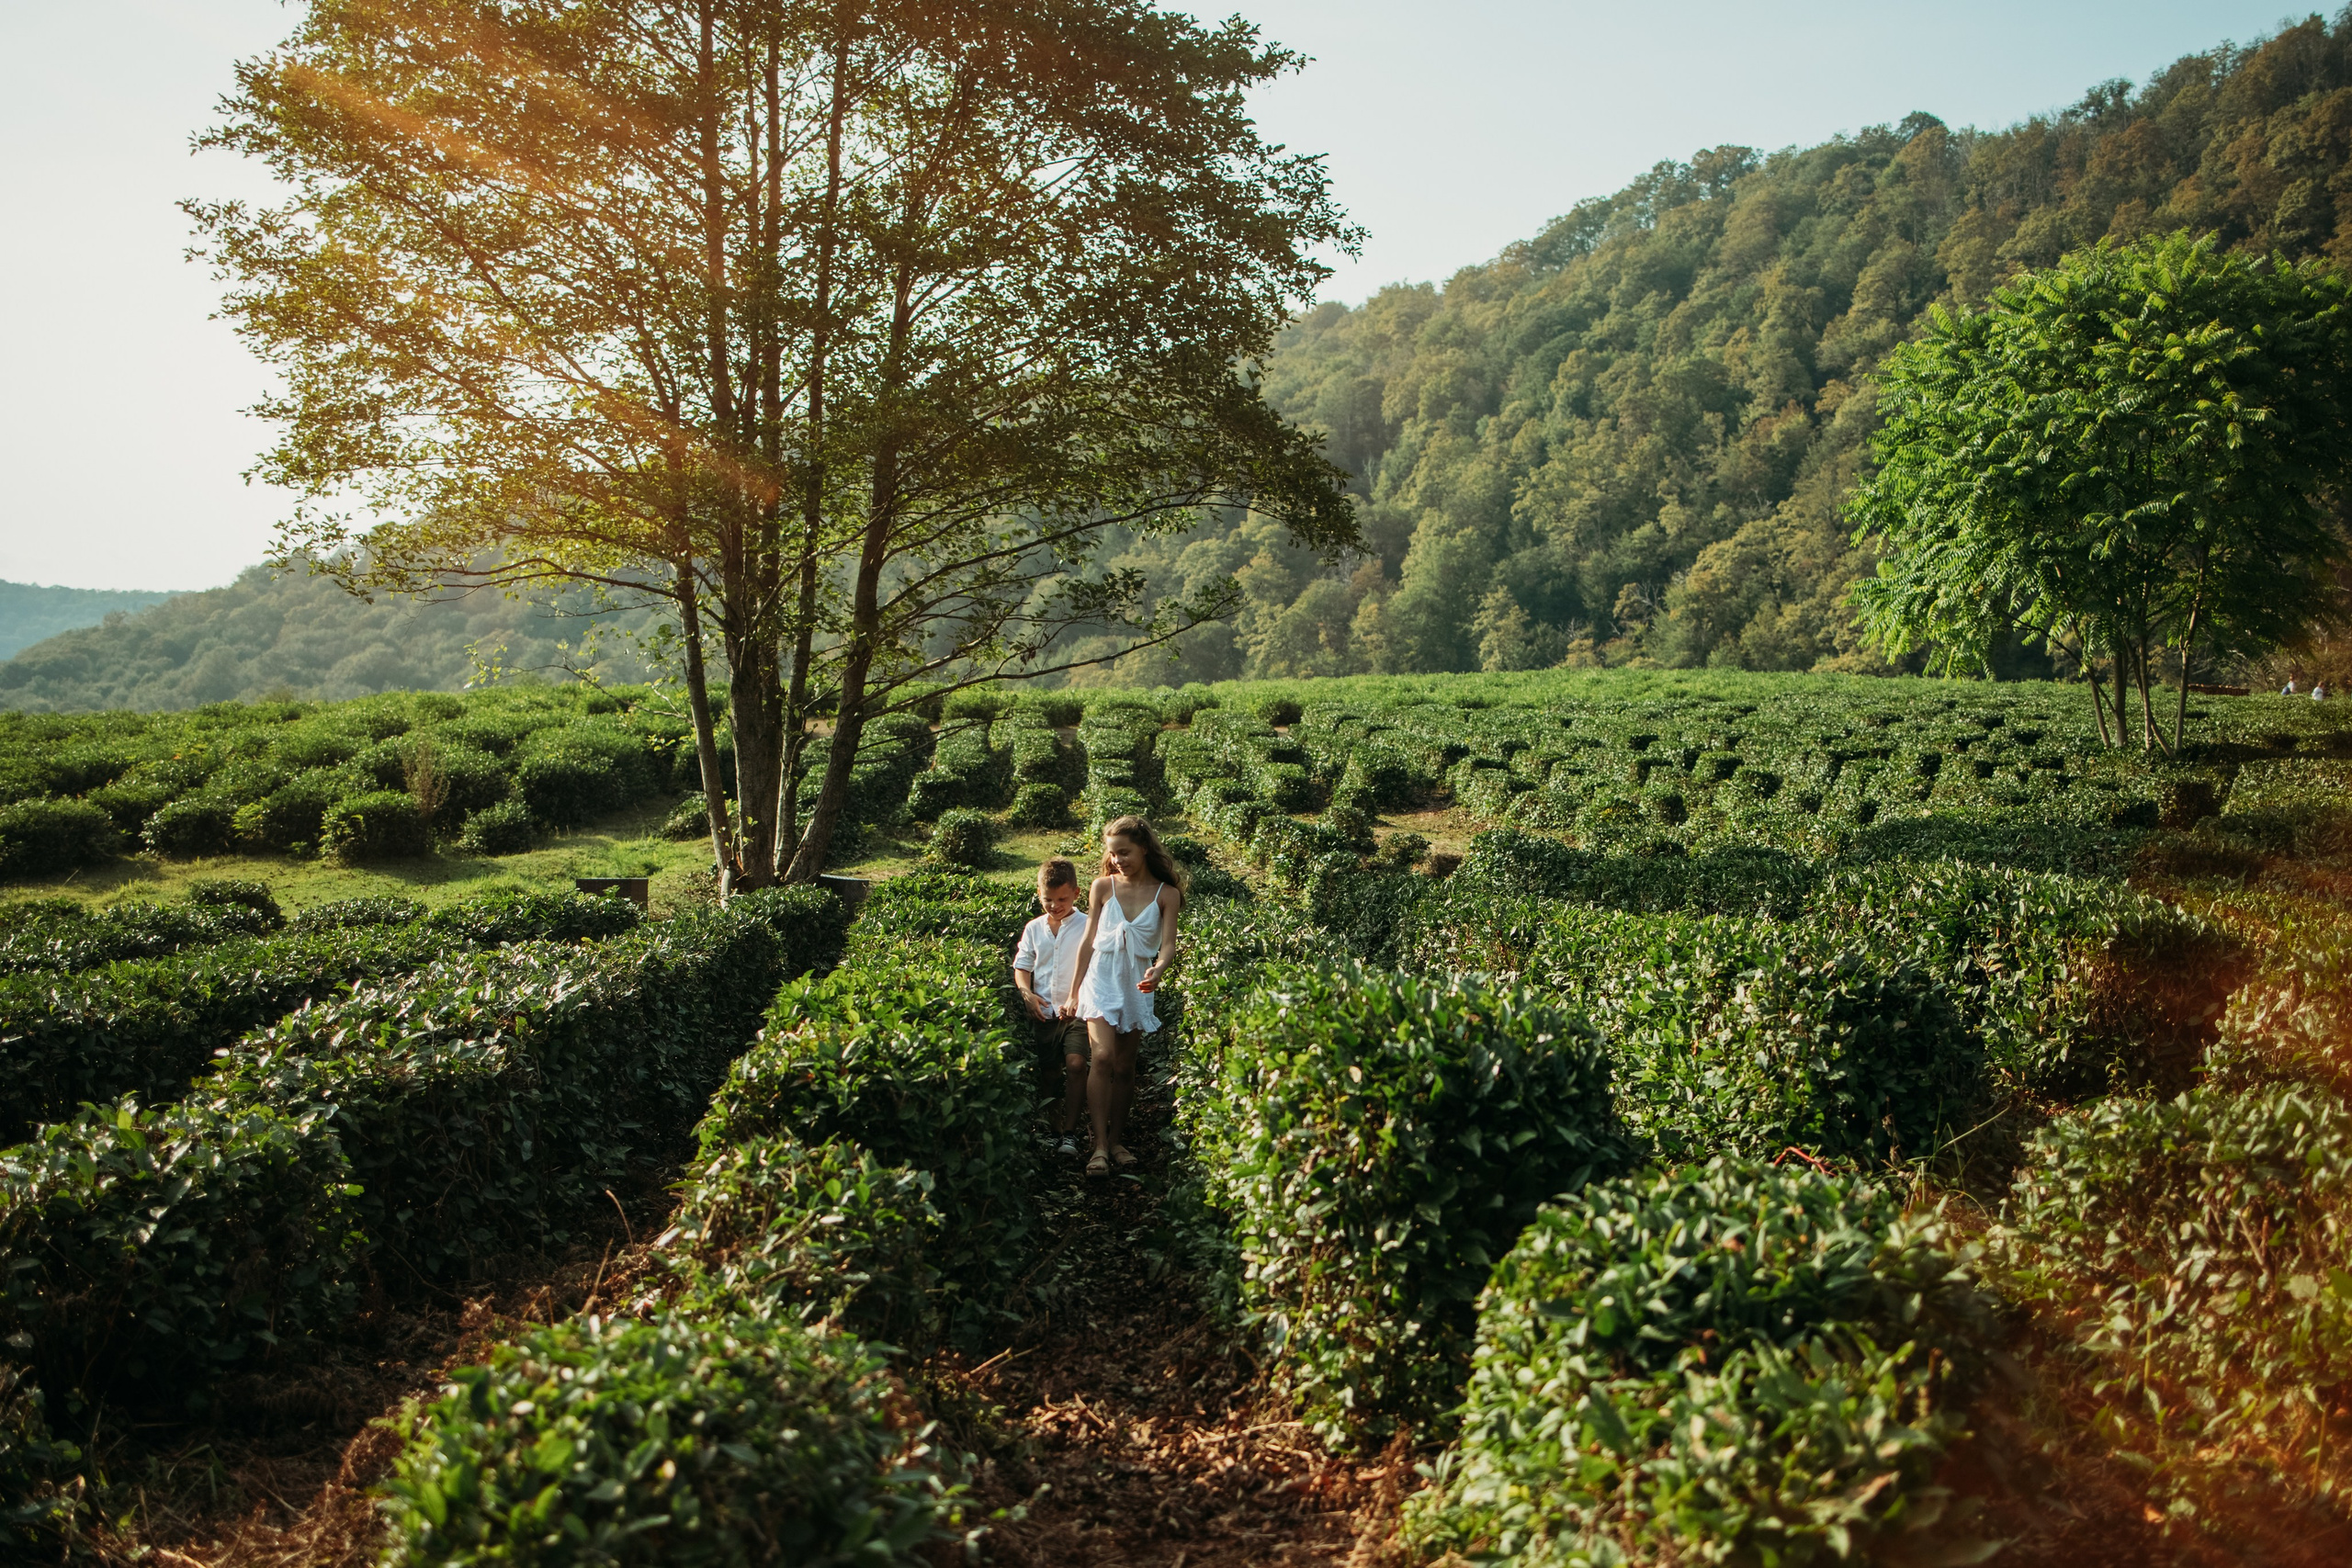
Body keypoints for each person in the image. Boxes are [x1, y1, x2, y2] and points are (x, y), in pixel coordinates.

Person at [1061, 815, 1187, 1179]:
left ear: (1144, 848)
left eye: (1125, 852)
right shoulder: (1102, 887)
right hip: (1100, 979)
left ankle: (1117, 1142)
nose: (1118, 860)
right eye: (1113, 854)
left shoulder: (1167, 895)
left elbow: (1167, 946)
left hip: (1136, 983)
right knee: (1101, 1057)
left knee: (1124, 1067)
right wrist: (1073, 993)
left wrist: (1159, 970)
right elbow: (1087, 942)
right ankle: (1098, 1146)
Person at [1013, 858, 1091, 1158]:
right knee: (1049, 1072)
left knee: (1075, 1064)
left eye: (1062, 899)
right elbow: (1023, 966)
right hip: (1044, 1013)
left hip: (1078, 1012)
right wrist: (1026, 994)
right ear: (1038, 893)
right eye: (1048, 899)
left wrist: (1078, 998)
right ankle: (1054, 1128)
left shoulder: (1086, 926)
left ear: (1076, 893)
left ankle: (1071, 1132)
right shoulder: (1034, 928)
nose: (1054, 905)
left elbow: (1093, 968)